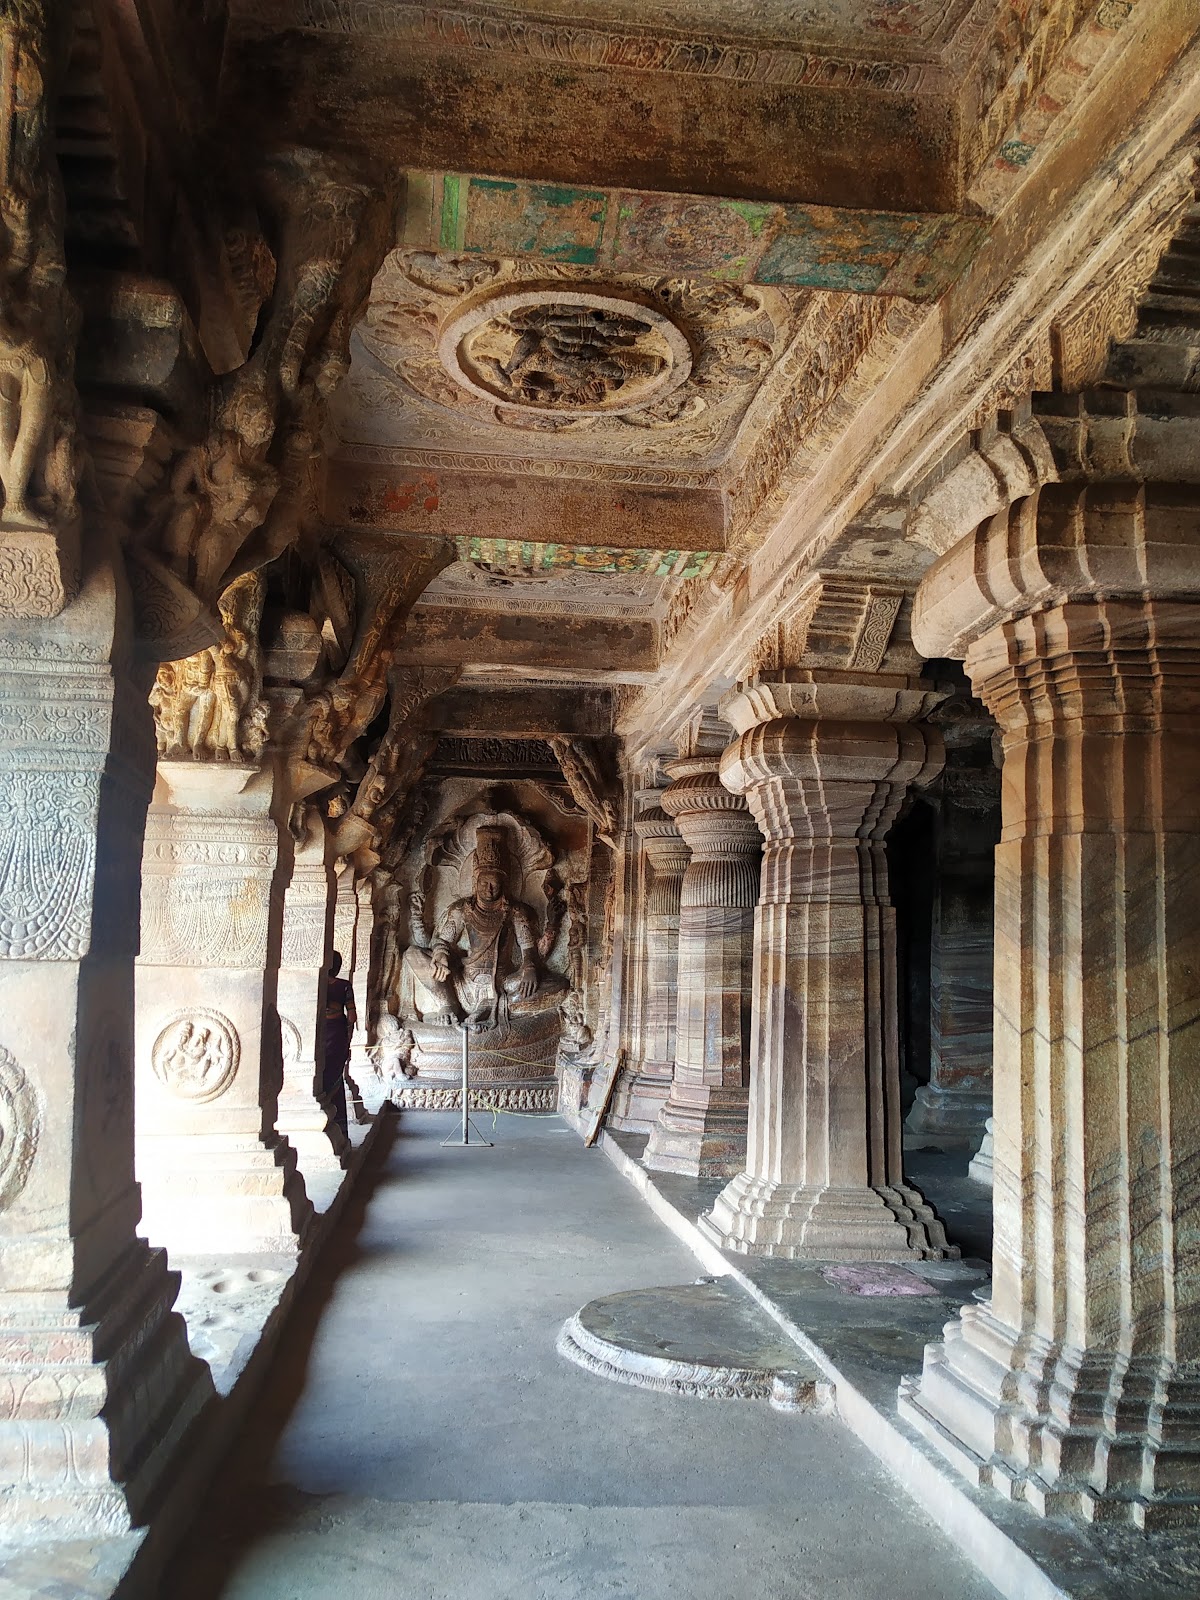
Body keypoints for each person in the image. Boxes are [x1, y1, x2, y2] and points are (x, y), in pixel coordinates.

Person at [322, 951, 357, 1138]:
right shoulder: (344, 986)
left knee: (321, 1078)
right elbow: (352, 1016)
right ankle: (340, 1126)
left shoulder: (317, 985)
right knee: (335, 1077)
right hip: (337, 1035)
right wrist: (348, 1038)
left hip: (319, 1035)